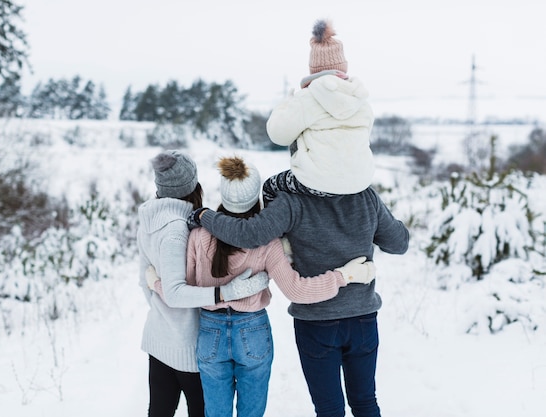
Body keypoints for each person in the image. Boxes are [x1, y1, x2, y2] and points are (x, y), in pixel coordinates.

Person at [147, 155, 377, 417]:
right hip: (252, 331)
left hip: (211, 333)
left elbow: (182, 291)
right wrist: (343, 276)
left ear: (223, 195)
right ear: (255, 195)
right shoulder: (268, 243)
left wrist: (155, 282)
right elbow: (297, 291)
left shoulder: (199, 235)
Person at [137, 150, 272, 417]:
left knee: (160, 410)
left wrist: (159, 302)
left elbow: (146, 280)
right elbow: (177, 293)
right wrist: (225, 293)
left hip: (158, 336)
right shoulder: (178, 230)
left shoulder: (148, 221)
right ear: (192, 187)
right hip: (187, 342)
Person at [262, 19, 376, 204]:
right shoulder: (361, 100)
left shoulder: (307, 98)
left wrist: (287, 102)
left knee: (270, 186)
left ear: (313, 68)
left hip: (315, 182)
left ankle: (277, 233)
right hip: (361, 182)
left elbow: (277, 135)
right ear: (343, 66)